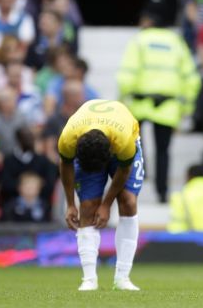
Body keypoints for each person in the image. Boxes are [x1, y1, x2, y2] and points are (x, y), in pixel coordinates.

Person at [117, 0, 200, 203]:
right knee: (163, 151)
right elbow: (192, 78)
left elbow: (127, 73)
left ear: (149, 19)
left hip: (139, 102)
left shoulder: (140, 40)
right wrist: (186, 107)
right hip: (168, 105)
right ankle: (162, 193)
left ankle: (136, 184)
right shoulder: (176, 42)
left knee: (135, 147)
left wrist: (122, 99)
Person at [58, 99, 144, 292]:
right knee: (87, 207)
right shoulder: (68, 138)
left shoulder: (123, 142)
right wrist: (70, 203)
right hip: (92, 138)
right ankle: (89, 280)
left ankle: (122, 279)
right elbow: (65, 165)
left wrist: (107, 205)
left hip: (123, 139)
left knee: (128, 201)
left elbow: (123, 170)